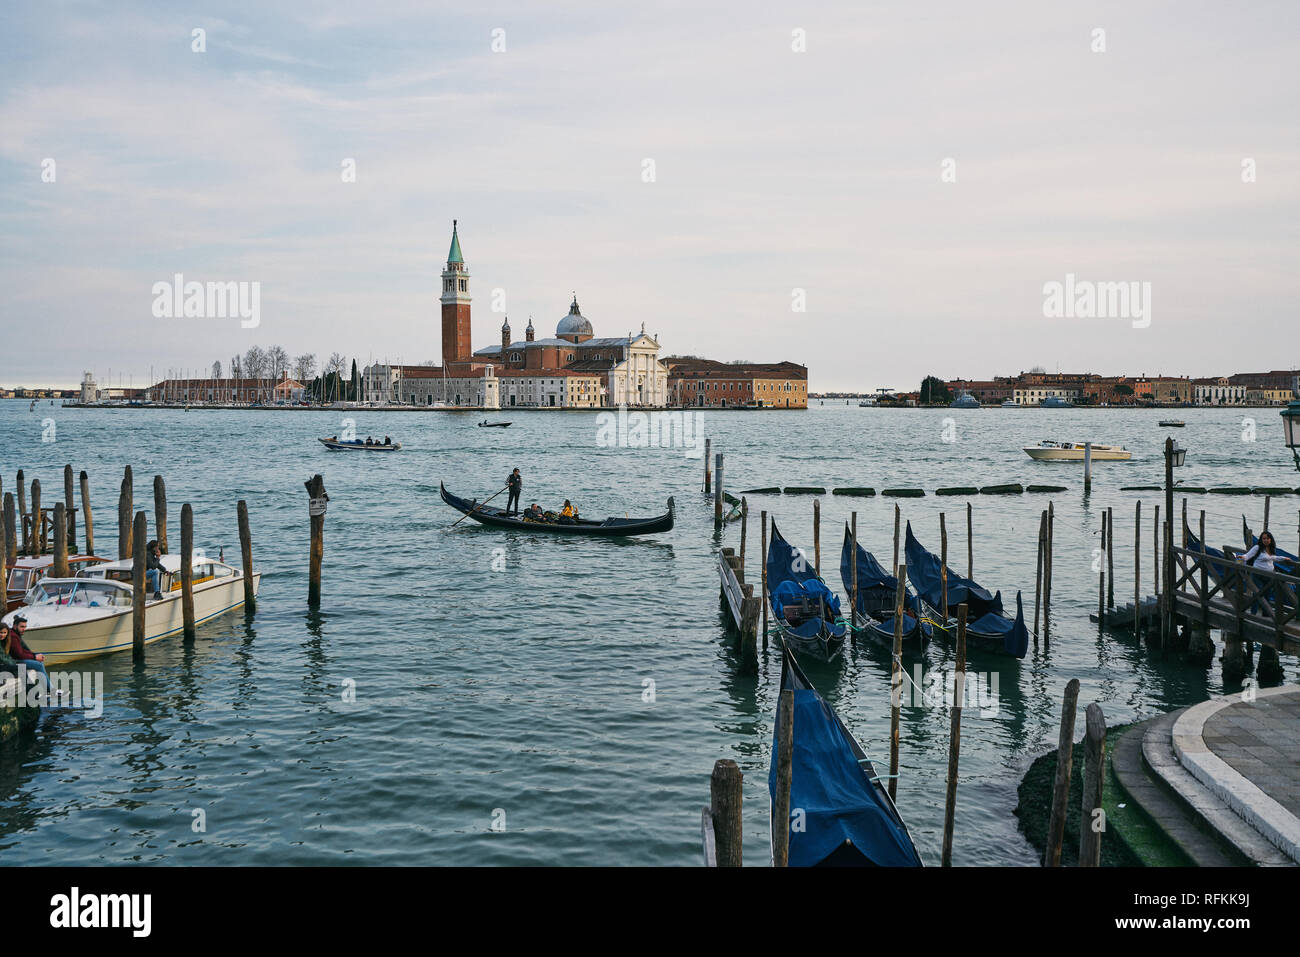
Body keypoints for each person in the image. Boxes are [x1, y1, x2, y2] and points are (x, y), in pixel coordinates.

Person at [5, 616, 48, 687]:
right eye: (22, 627)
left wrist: (34, 655)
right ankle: (50, 689)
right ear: (15, 626)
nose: (24, 629)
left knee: (39, 662)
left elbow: (23, 650)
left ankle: (45, 687)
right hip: (14, 661)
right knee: (39, 665)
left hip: (16, 660)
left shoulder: (16, 634)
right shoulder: (13, 636)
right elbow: (19, 654)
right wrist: (34, 657)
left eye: (25, 627)